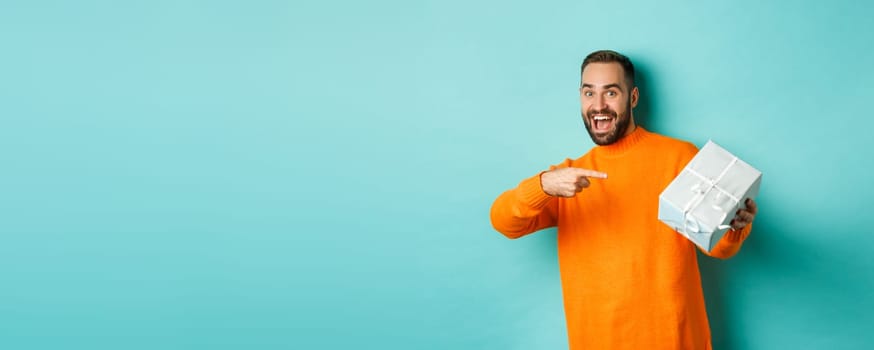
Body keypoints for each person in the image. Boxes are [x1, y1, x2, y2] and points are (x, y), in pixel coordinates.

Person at [489, 50, 758, 350]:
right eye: (589, 92)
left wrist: (734, 226)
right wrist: (542, 185)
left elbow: (719, 248)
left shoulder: (678, 158)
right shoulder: (568, 179)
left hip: (676, 341)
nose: (599, 105)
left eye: (611, 92)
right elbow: (503, 222)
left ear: (632, 98)